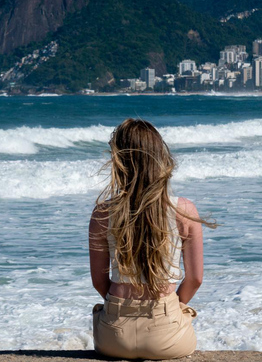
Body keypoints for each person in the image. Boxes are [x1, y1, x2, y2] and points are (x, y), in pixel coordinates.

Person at [89, 118, 215, 359]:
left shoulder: (103, 213)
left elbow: (99, 281)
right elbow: (195, 279)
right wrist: (171, 308)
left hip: (114, 337)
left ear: (119, 162)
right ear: (161, 158)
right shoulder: (183, 210)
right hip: (166, 333)